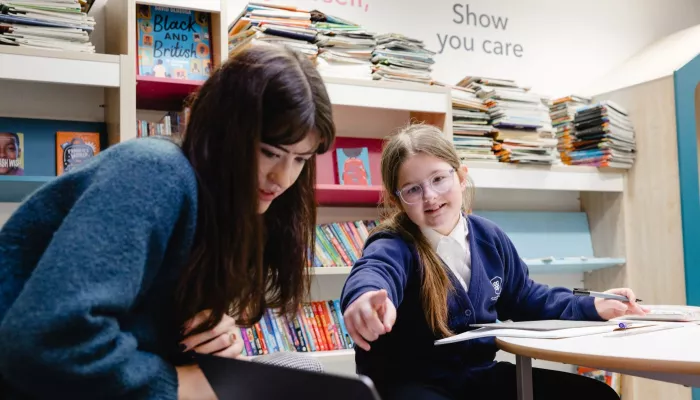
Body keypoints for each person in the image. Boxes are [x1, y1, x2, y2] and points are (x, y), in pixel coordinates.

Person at [0, 43, 335, 399]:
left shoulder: (226, 209)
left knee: (307, 369)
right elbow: (45, 340)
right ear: (226, 132)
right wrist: (177, 384)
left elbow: (134, 328)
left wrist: (210, 339)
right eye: (270, 152)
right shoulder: (155, 172)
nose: (283, 179)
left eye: (301, 159)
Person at [340, 124, 646, 400]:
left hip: (478, 379)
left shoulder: (488, 237)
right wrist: (365, 297)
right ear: (397, 200)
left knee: (597, 395)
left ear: (460, 178)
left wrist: (592, 305)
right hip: (412, 384)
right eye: (413, 189)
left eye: (438, 179)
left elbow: (526, 298)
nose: (430, 196)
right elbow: (375, 271)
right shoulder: (393, 244)